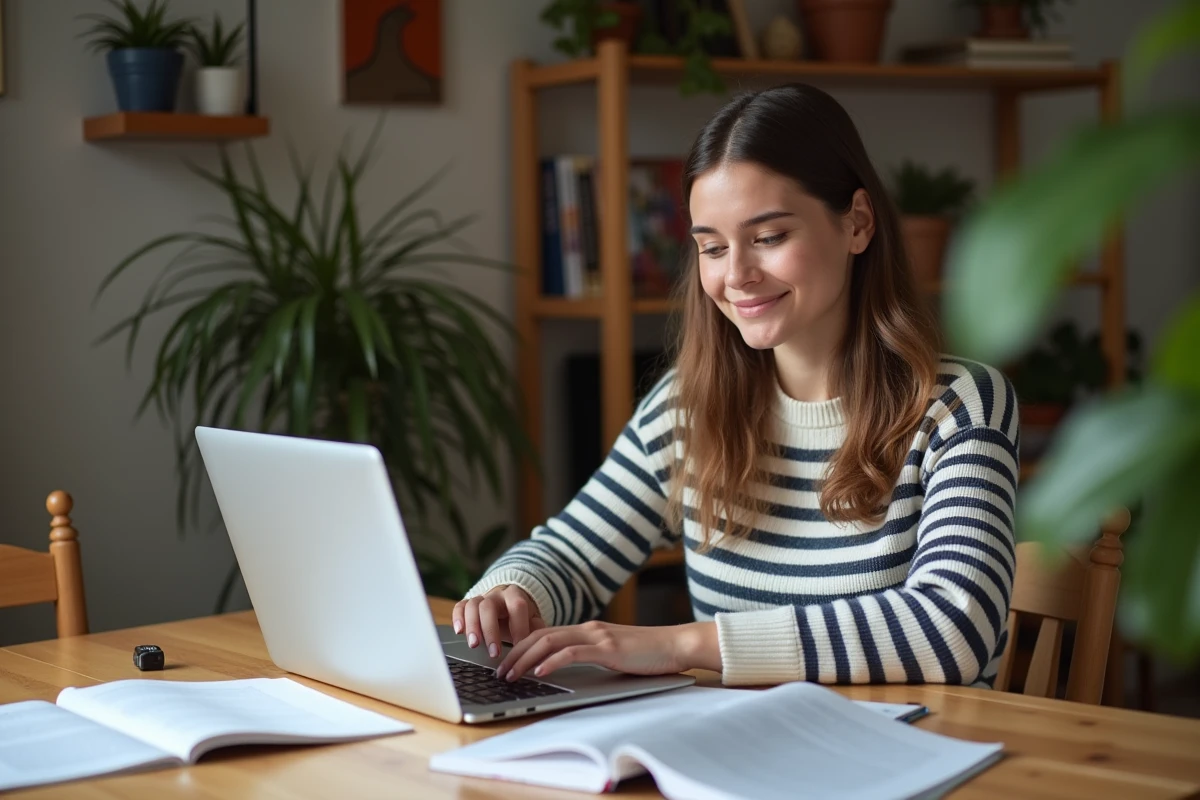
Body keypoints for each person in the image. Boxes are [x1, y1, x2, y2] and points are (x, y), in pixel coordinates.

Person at [453, 83, 1018, 688]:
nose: (737, 275)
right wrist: (512, 591)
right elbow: (571, 555)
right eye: (713, 248)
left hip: (910, 743)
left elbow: (954, 627)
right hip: (742, 742)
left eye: (769, 238)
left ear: (857, 223)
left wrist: (681, 645)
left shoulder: (960, 406)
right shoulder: (687, 407)